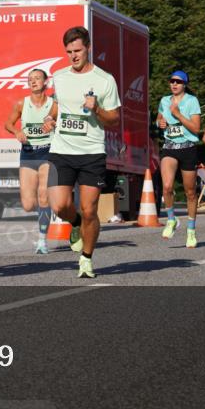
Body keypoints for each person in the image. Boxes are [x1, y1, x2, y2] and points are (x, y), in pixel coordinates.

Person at [42, 26, 121, 279]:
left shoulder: (105, 79)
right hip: (61, 151)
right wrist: (49, 118)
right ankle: (74, 224)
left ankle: (86, 259)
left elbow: (114, 120)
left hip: (91, 153)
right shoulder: (59, 76)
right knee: (59, 205)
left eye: (77, 50)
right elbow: (56, 106)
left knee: (90, 211)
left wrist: (97, 108)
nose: (73, 56)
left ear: (88, 47)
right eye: (69, 52)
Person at [4, 68, 54, 254]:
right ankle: (48, 209)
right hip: (27, 154)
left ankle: (42, 240)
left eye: (37, 78)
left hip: (47, 152)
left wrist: (53, 124)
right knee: (27, 204)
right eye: (30, 79)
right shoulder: (21, 104)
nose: (33, 82)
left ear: (45, 82)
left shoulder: (53, 104)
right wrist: (17, 132)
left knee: (43, 196)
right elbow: (8, 124)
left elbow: (60, 121)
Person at [156, 71, 202, 247]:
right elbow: (159, 118)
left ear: (185, 84)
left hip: (188, 148)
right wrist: (159, 123)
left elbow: (196, 128)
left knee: (190, 192)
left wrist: (178, 116)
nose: (174, 84)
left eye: (178, 82)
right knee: (167, 187)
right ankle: (171, 220)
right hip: (169, 147)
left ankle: (191, 230)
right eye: (172, 81)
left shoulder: (191, 101)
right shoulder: (164, 101)